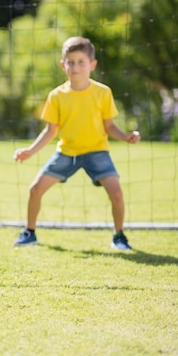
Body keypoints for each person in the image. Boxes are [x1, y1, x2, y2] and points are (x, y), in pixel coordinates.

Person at [13, 37, 141, 250]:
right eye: (71, 62)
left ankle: (119, 236)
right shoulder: (56, 96)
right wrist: (29, 151)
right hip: (67, 153)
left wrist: (127, 136)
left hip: (97, 152)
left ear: (92, 64)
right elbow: (50, 131)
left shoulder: (103, 93)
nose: (76, 67)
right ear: (63, 65)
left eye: (81, 61)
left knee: (117, 194)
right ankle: (29, 233)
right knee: (35, 189)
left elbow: (109, 127)